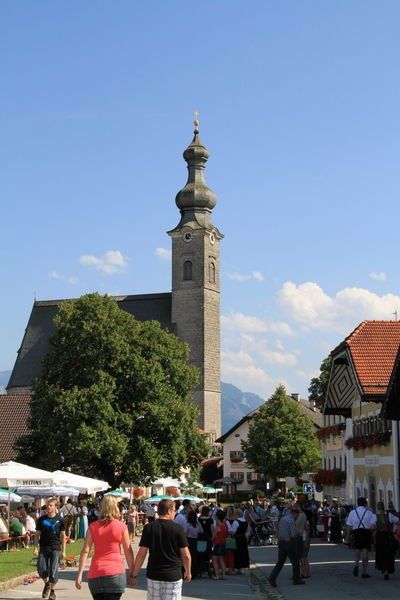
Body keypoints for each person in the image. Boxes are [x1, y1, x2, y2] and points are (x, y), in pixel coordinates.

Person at [130, 498, 191, 600]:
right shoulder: (178, 529)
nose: (175, 513)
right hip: (173, 575)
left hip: (154, 574)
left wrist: (133, 575)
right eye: (174, 510)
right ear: (169, 511)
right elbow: (186, 555)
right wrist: (188, 572)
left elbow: (141, 554)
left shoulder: (149, 528)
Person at [75, 495, 134, 600]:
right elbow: (128, 552)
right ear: (115, 507)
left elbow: (85, 551)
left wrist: (79, 574)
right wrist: (133, 574)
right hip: (115, 573)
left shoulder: (93, 527)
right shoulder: (121, 526)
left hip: (96, 573)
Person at [35, 499, 66, 600]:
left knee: (53, 571)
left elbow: (63, 536)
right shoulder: (41, 519)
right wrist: (35, 548)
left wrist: (64, 551)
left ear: (55, 507)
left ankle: (52, 591)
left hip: (55, 548)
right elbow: (37, 534)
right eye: (47, 505)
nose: (48, 507)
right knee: (41, 569)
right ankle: (47, 584)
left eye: (51, 505)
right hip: (43, 547)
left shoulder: (60, 520)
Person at [268, 505, 305, 587]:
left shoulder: (283, 519)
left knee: (280, 562)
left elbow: (279, 529)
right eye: (297, 515)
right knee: (295, 561)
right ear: (295, 514)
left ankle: (272, 578)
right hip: (289, 542)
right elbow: (293, 534)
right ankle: (296, 579)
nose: (297, 517)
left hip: (281, 542)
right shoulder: (291, 521)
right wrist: (298, 533)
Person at [346, 497, 376, 578]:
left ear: (358, 504)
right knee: (365, 552)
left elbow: (349, 525)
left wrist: (347, 537)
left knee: (357, 549)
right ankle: (364, 572)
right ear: (365, 504)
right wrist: (372, 533)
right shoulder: (369, 513)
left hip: (356, 532)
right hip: (366, 532)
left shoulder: (352, 512)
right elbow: (373, 526)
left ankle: (356, 564)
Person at [374, 501, 398, 580]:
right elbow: (398, 521)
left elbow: (372, 527)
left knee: (381, 553)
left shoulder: (375, 516)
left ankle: (383, 570)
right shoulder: (389, 515)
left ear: (377, 508)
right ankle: (387, 571)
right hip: (388, 536)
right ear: (384, 507)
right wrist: (394, 529)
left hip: (379, 537)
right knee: (388, 554)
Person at [185, 509, 203, 578]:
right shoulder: (197, 524)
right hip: (195, 540)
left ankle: (188, 572)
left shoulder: (187, 524)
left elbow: (185, 533)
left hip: (188, 540)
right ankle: (194, 572)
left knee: (188, 556)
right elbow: (201, 531)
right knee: (194, 556)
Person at [212, 509, 228, 580]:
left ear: (217, 517)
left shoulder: (218, 527)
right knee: (221, 560)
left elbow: (213, 537)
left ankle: (217, 575)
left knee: (215, 560)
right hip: (223, 544)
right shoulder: (224, 526)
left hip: (217, 544)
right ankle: (224, 575)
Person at [233, 508, 249, 574]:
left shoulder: (236, 521)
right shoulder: (245, 521)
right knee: (243, 552)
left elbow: (233, 531)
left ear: (236, 514)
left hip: (237, 538)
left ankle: (238, 568)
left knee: (237, 553)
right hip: (243, 538)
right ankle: (242, 568)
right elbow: (247, 530)